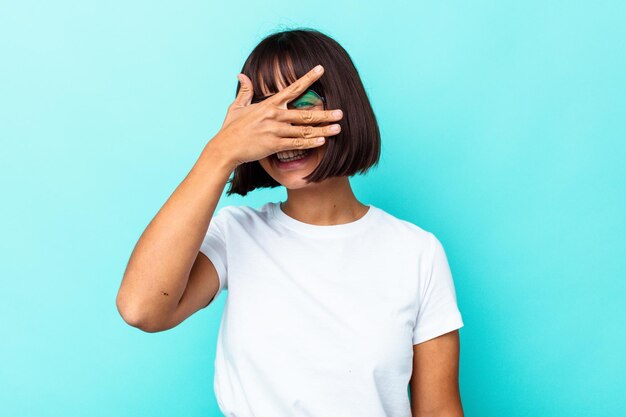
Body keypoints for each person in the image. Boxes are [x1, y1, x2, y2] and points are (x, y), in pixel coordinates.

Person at [116, 28, 465, 417]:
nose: (282, 129)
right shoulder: (235, 235)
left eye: (301, 105)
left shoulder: (416, 252)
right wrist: (220, 153)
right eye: (264, 114)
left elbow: (439, 410)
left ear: (344, 108)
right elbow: (141, 309)